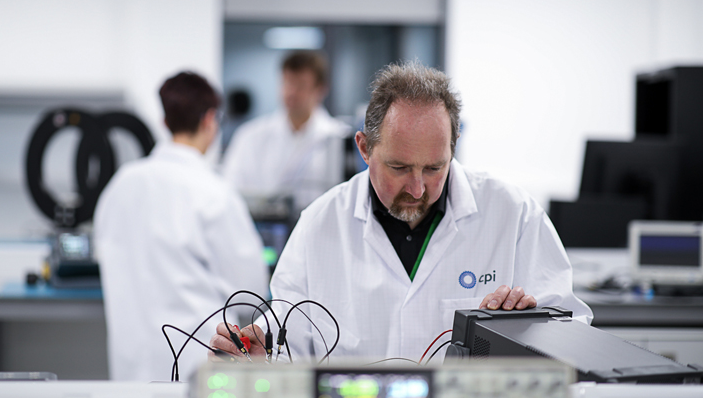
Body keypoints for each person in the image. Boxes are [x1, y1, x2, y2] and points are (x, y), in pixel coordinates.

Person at [210, 61, 593, 362]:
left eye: (434, 168)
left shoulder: (514, 216)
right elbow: (288, 343)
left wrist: (529, 327)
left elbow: (572, 332)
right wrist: (261, 360)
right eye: (398, 168)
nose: (417, 188)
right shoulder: (319, 225)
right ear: (364, 148)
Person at [95, 71, 268, 381]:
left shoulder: (120, 185)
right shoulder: (214, 192)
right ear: (210, 120)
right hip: (199, 369)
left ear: (164, 122)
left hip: (131, 369)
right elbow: (250, 291)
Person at [221, 50, 351, 212]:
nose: (291, 92)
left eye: (300, 85)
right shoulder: (250, 135)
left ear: (321, 89)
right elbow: (230, 190)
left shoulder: (338, 138)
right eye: (287, 83)